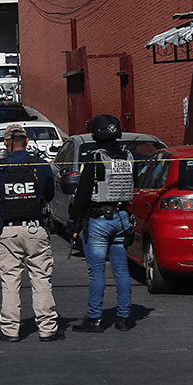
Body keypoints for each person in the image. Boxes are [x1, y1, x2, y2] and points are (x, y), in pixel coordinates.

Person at [0, 124, 64, 343]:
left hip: (9, 230)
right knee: (41, 279)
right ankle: (47, 328)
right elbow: (49, 194)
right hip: (36, 228)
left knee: (10, 281)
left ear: (7, 143)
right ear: (26, 142)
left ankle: (10, 330)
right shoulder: (41, 166)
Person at [67, 114, 136, 332]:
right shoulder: (127, 157)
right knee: (122, 270)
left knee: (96, 272)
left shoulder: (95, 158)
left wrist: (73, 220)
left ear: (97, 133)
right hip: (122, 219)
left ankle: (94, 318)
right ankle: (124, 318)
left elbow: (83, 194)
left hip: (99, 220)